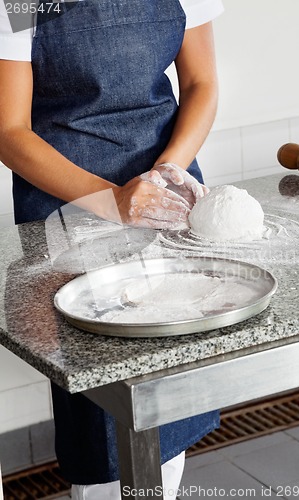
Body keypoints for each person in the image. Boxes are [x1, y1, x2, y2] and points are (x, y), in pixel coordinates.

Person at [0, 0, 223, 498]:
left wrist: (166, 173)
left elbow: (201, 84)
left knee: (172, 391)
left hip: (168, 198)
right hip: (69, 211)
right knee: (105, 415)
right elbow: (8, 130)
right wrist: (115, 202)